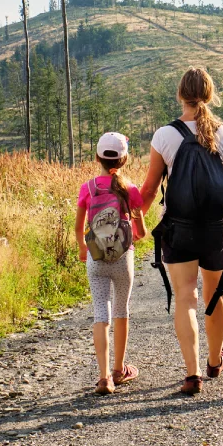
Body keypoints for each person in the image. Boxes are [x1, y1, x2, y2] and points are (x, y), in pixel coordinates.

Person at [140, 67, 223, 396]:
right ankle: (213, 360)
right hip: (215, 230)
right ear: (210, 94)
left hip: (178, 230)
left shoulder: (164, 136)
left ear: (181, 95)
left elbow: (151, 189)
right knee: (213, 295)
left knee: (186, 297)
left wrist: (133, 216)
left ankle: (192, 374)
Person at [76, 132, 146, 395]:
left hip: (96, 258)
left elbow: (79, 227)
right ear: (125, 159)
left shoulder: (88, 188)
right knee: (121, 309)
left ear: (97, 158)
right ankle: (119, 369)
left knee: (100, 313)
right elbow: (141, 232)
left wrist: (84, 248)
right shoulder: (130, 190)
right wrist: (132, 233)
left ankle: (104, 377)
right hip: (122, 259)